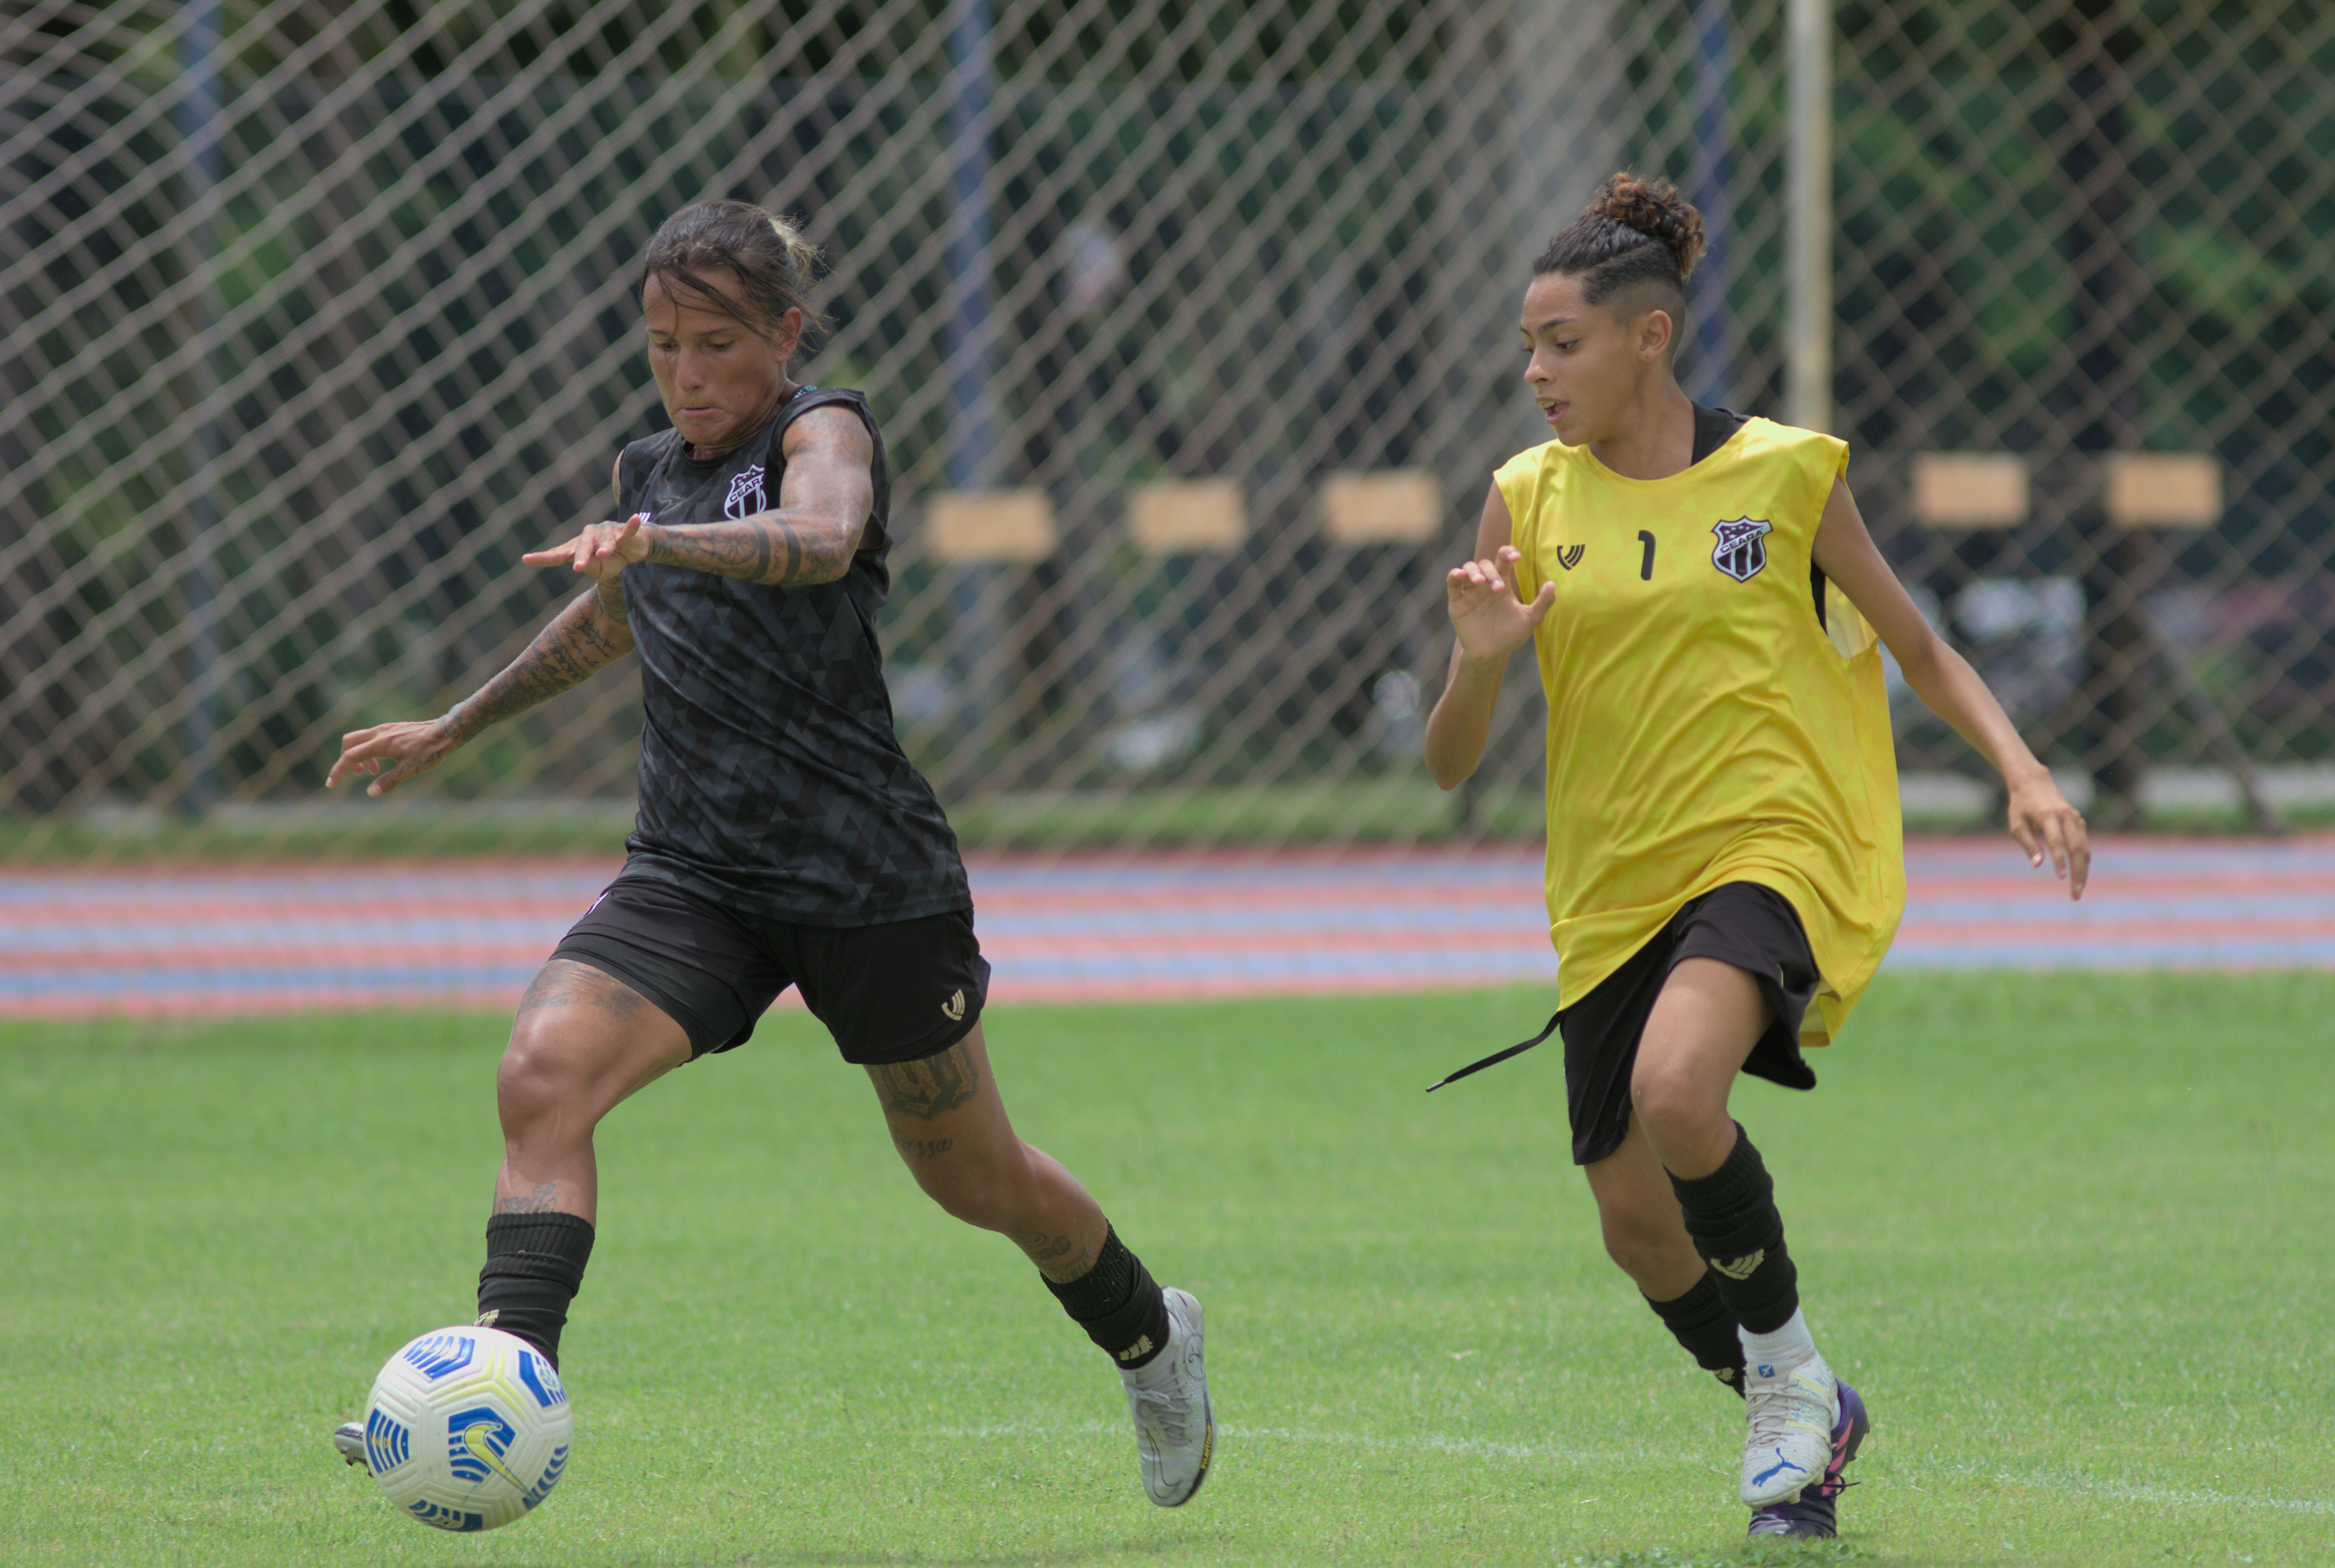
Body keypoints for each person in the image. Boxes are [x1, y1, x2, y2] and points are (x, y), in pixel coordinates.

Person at [324, 199, 1212, 1508]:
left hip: (867, 882)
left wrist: (659, 540)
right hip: (694, 875)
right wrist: (456, 724)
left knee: (975, 1179)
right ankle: (494, 1391)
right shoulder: (651, 476)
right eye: (663, 345)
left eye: (717, 345)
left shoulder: (823, 430)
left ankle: (1149, 1335)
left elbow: (820, 539)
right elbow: (610, 617)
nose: (687, 374)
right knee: (542, 1076)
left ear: (785, 336)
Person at [1422, 174, 2089, 1539]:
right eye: (1528, 347)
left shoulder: (1785, 475)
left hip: (1771, 843)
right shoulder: (1521, 502)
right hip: (1609, 890)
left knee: (1680, 1090)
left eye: (1563, 344)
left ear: (1648, 336)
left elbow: (1916, 645)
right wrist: (1481, 669)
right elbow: (1446, 761)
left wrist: (2019, 767)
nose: (1536, 373)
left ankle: (1784, 1393)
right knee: (1633, 1227)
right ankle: (1796, 1400)